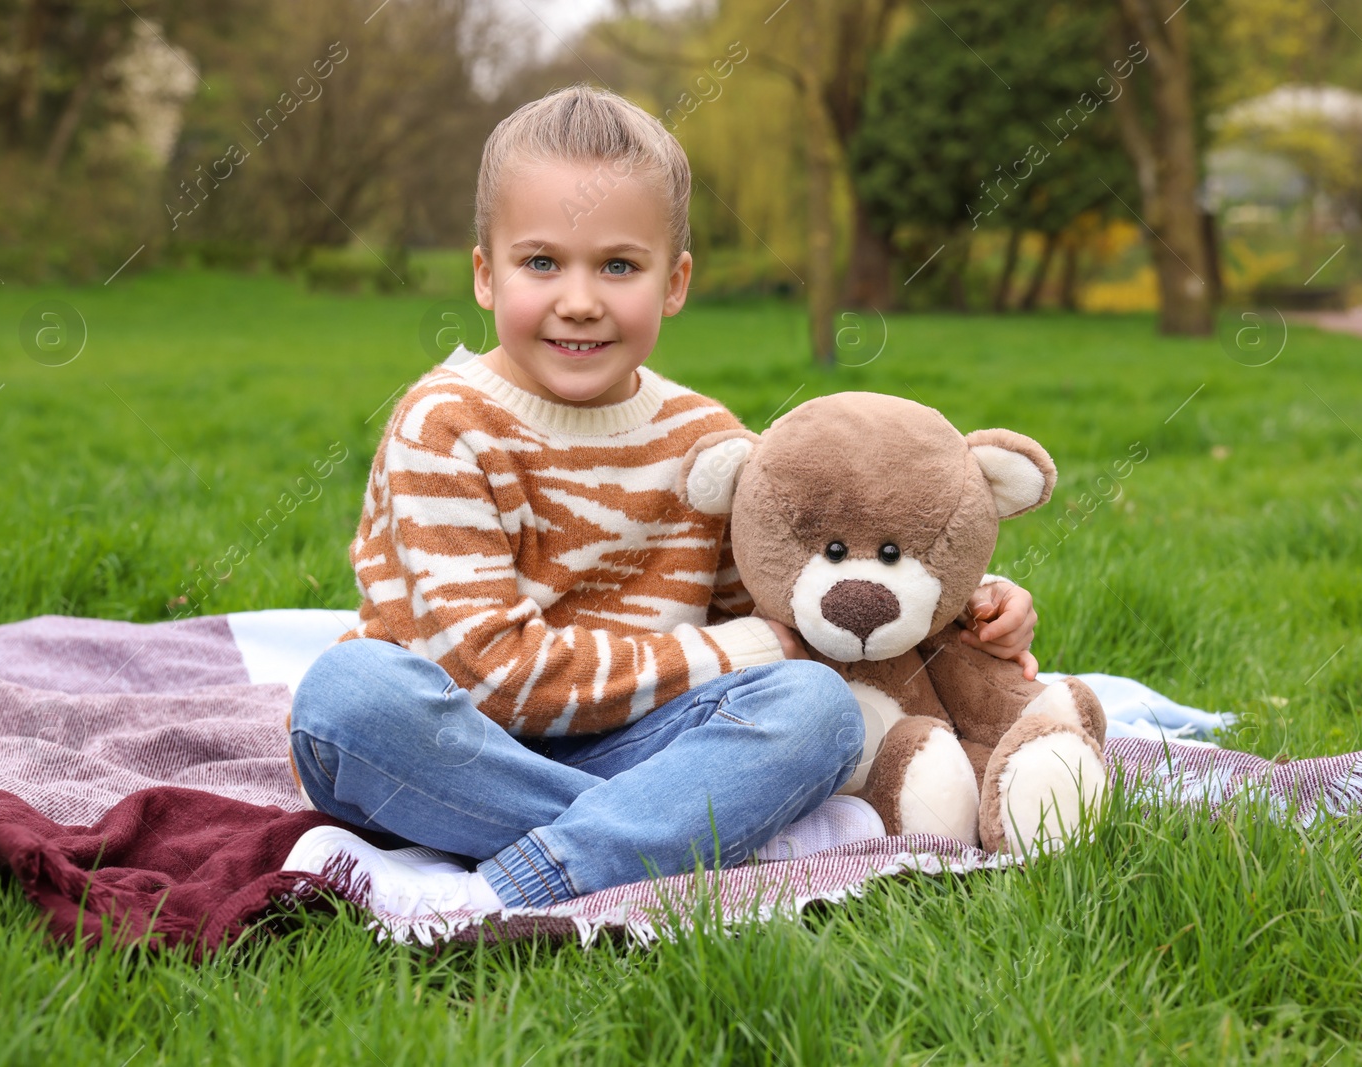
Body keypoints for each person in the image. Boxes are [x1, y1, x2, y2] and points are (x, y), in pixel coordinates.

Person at [282, 84, 1039, 917]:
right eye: (541, 262)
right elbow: (493, 678)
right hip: (456, 747)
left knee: (816, 710)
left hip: (644, 746)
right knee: (345, 697)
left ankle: (517, 881)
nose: (579, 298)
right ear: (484, 275)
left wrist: (960, 615)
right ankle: (664, 838)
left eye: (618, 265)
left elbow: (793, 622)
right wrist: (733, 660)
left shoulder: (703, 440)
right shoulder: (446, 426)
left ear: (673, 282)